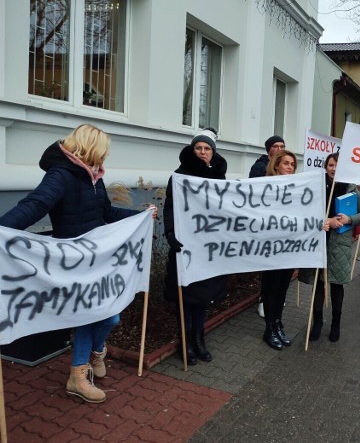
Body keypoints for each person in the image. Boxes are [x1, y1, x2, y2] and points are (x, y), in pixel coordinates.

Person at [0, 124, 154, 404]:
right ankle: (78, 376)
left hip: (98, 260)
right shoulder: (61, 175)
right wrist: (3, 229)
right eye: (103, 150)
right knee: (92, 315)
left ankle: (96, 352)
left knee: (111, 314)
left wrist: (139, 216)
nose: (105, 157)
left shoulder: (92, 176)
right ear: (90, 148)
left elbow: (105, 212)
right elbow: (34, 205)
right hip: (73, 263)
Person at [164, 129, 228, 366]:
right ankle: (186, 342)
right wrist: (170, 232)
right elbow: (170, 206)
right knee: (186, 297)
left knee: (203, 297)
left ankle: (200, 339)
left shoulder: (219, 177)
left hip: (207, 247)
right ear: (193, 150)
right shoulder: (179, 176)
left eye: (207, 148)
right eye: (198, 148)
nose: (202, 152)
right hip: (185, 246)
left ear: (213, 152)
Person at [309, 153, 360, 342]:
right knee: (318, 282)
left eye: (337, 165)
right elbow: (306, 212)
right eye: (331, 165)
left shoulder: (350, 189)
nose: (334, 168)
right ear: (326, 167)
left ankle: (336, 322)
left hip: (339, 244)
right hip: (319, 240)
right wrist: (325, 221)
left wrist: (349, 219)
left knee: (336, 284)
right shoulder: (316, 186)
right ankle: (317, 321)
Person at [261, 150, 298, 350]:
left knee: (283, 287)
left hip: (289, 247)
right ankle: (269, 329)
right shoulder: (264, 187)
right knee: (270, 289)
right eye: (286, 163)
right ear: (276, 166)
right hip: (270, 248)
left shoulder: (296, 188)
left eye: (292, 164)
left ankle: (277, 323)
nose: (290, 167)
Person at [249, 135, 286, 318]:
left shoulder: (286, 168)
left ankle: (274, 298)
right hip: (265, 224)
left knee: (278, 265)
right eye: (275, 146)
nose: (279, 149)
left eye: (282, 146)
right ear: (268, 150)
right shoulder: (259, 168)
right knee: (267, 265)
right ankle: (264, 299)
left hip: (281, 227)